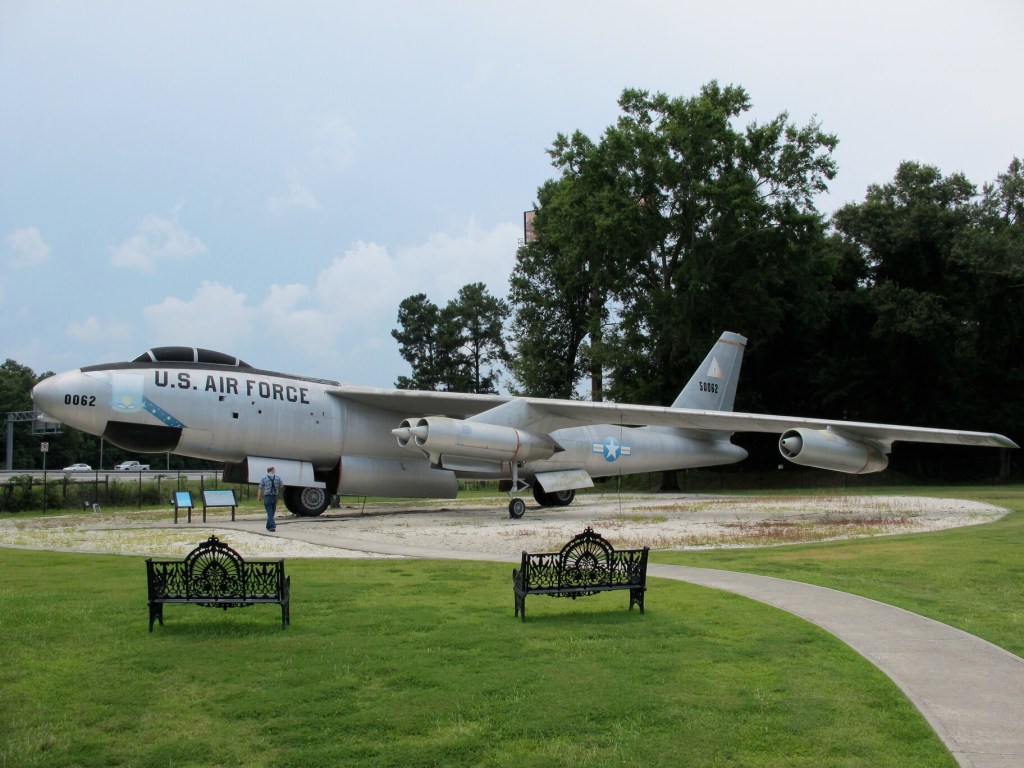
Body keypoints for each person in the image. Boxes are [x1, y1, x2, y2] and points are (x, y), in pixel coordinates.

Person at [258, 466, 283, 531]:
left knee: (269, 511)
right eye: (274, 470)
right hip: (275, 496)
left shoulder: (264, 478)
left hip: (267, 496)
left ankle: (271, 526)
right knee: (272, 511)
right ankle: (270, 526)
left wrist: (259, 497)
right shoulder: (278, 478)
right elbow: (282, 485)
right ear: (272, 470)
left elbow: (260, 488)